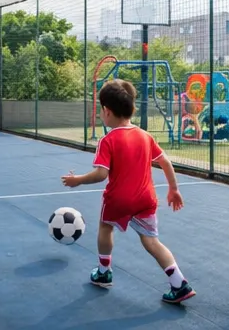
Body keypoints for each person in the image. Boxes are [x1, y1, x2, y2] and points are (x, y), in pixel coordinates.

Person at [61, 79, 195, 305]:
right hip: (146, 200)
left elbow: (101, 174)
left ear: (107, 111)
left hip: (118, 200)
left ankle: (104, 272)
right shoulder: (145, 136)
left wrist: (78, 181)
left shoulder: (108, 140)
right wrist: (174, 189)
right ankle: (179, 283)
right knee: (152, 242)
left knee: (105, 227)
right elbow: (165, 161)